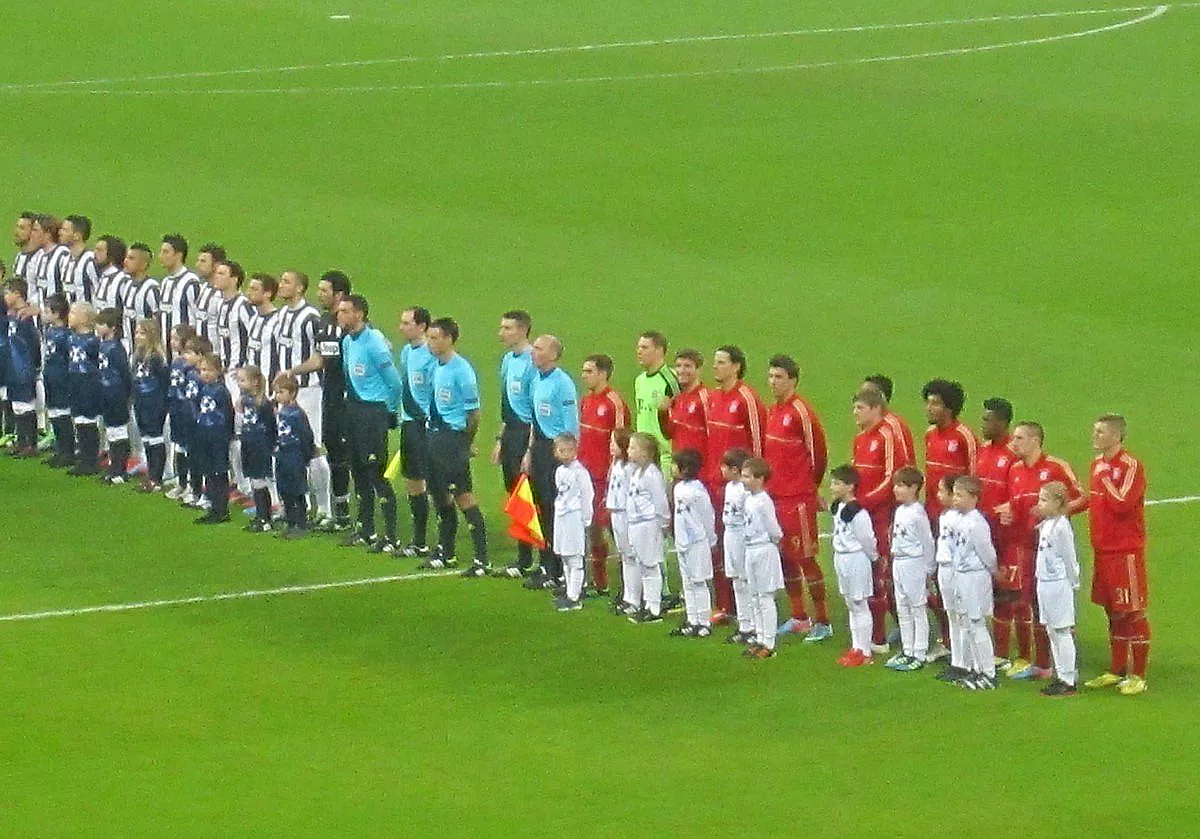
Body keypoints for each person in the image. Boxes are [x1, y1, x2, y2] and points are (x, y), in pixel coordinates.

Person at [995, 421, 1086, 680]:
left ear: (1035, 441)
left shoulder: (1056, 467)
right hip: (1023, 547)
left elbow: (1082, 497)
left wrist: (1054, 515)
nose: (1014, 443)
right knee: (1029, 605)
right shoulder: (1014, 470)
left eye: (1020, 438)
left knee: (1054, 611)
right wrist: (1010, 512)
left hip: (1050, 549)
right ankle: (1039, 663)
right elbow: (1015, 503)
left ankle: (1062, 668)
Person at [762, 354, 830, 639]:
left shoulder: (802, 411)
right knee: (785, 557)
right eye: (771, 376)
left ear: (793, 380)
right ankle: (799, 615)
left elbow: (819, 455)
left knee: (805, 557)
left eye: (779, 377)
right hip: (775, 496)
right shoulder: (772, 411)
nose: (773, 382)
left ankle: (824, 621)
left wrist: (809, 489)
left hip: (798, 498)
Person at [1084, 414, 1150, 696]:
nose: (1094, 436)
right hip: (1103, 549)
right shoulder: (1097, 464)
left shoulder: (1130, 465)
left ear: (1116, 436)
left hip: (1125, 552)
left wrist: (1105, 480)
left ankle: (1139, 675)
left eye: (1100, 432)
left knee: (1132, 612)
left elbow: (1123, 503)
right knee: (1113, 611)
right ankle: (1116, 669)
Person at [283, 270, 350, 530]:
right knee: (328, 450)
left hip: (345, 399)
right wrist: (293, 372)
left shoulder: (349, 327)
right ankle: (331, 510)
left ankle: (337, 512)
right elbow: (320, 359)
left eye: (324, 290)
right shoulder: (323, 322)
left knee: (336, 453)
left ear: (339, 294)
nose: (319, 294)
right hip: (328, 395)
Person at [336, 294, 402, 553]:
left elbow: (394, 382)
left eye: (345, 311)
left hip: (372, 412)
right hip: (353, 409)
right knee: (358, 470)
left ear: (359, 314)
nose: (339, 315)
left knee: (375, 471)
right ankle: (366, 529)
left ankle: (392, 536)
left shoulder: (374, 342)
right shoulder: (348, 341)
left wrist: (390, 411)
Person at [705, 345, 766, 625]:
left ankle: (754, 615)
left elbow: (758, 442)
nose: (715, 367)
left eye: (721, 362)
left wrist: (753, 480)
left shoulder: (747, 398)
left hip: (743, 486)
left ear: (736, 366)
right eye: (715, 362)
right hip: (719, 484)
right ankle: (728, 606)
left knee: (744, 549)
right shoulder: (715, 397)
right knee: (722, 545)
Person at [423, 317, 489, 575]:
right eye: (429, 337)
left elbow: (474, 413)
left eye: (435, 338)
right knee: (440, 495)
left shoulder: (462, 370)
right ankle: (446, 553)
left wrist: (465, 443)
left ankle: (482, 560)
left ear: (449, 339)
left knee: (463, 496)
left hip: (452, 439)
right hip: (435, 436)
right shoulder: (436, 366)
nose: (431, 342)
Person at [921, 378, 978, 662]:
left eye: (935, 403)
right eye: (928, 402)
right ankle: (947, 637)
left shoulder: (964, 436)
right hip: (934, 518)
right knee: (936, 580)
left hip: (958, 523)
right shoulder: (930, 435)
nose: (929, 408)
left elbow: (974, 480)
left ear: (949, 408)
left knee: (958, 584)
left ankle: (965, 639)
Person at [521, 334, 579, 589]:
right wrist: (530, 450)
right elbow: (534, 419)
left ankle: (563, 569)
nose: (533, 352)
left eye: (539, 348)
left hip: (558, 451)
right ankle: (548, 566)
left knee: (556, 510)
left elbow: (570, 424)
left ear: (553, 355)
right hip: (541, 448)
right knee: (542, 507)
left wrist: (566, 454)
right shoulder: (535, 379)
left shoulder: (563, 383)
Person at [851, 387, 901, 653]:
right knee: (866, 575)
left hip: (881, 517)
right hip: (862, 516)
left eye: (860, 408)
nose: (855, 413)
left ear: (874, 409)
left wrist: (864, 501)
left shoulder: (886, 436)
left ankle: (880, 638)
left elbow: (892, 477)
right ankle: (874, 632)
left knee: (881, 576)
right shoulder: (860, 439)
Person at [578, 353, 630, 596]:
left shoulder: (614, 402)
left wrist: (613, 475)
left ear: (602, 373)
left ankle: (627, 582)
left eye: (589, 371)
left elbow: (621, 440)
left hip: (606, 477)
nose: (584, 375)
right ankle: (600, 582)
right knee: (592, 528)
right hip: (586, 475)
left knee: (613, 527)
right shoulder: (586, 401)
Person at [492, 310, 538, 577]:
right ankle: (523, 559)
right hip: (511, 432)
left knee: (530, 496)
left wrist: (529, 449)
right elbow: (507, 404)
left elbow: (533, 409)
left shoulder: (533, 361)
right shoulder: (508, 360)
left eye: (507, 328)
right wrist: (500, 438)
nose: (501, 333)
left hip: (526, 434)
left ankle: (539, 558)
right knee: (515, 496)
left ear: (522, 330)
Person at [946, 476, 1001, 690]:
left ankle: (988, 672)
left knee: (977, 623)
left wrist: (994, 572)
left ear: (974, 498)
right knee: (967, 622)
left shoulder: (977, 523)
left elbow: (986, 552)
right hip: (961, 574)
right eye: (955, 495)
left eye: (960, 495)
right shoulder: (959, 520)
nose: (955, 499)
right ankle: (976, 668)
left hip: (976, 576)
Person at [975, 397, 1018, 669]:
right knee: (989, 591)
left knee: (1009, 594)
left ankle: (1006, 653)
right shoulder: (982, 451)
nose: (984, 424)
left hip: (1008, 537)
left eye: (988, 419)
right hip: (984, 533)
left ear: (1002, 422)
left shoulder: (1014, 454)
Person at [1033, 482, 1081, 697]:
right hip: (1044, 582)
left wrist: (1074, 582)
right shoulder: (1048, 524)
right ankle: (1060, 674)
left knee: (1061, 631)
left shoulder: (1062, 526)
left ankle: (1069, 679)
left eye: (1044, 500)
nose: (1039, 504)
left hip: (1058, 584)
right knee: (1052, 630)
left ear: (1058, 503)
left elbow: (1070, 558)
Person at [396, 306, 437, 558]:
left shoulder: (431, 355)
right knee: (412, 480)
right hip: (409, 424)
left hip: (427, 425)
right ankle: (419, 541)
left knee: (435, 482)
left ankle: (444, 542)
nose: (401, 327)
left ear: (422, 326)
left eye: (406, 323)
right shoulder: (406, 352)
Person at [828, 464, 877, 667]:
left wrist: (873, 558)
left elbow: (867, 539)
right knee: (850, 603)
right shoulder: (839, 507)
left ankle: (865, 651)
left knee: (859, 603)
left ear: (850, 487)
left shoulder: (859, 513)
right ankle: (856, 646)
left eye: (837, 483)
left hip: (856, 558)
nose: (832, 487)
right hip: (841, 557)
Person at [888, 467, 936, 670]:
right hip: (899, 561)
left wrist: (929, 569)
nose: (896, 490)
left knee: (917, 607)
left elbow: (927, 542)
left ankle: (920, 651)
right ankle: (907, 649)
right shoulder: (900, 511)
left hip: (914, 563)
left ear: (914, 488)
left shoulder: (918, 514)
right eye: (896, 485)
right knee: (902, 607)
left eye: (901, 486)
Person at [740, 456, 786, 659]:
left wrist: (773, 541)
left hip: (764, 549)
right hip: (750, 548)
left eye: (747, 476)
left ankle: (769, 642)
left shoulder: (763, 501)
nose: (743, 480)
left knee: (765, 597)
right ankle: (759, 638)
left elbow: (774, 529)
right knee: (755, 596)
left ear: (760, 479)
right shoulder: (748, 499)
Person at [670, 448, 717, 637]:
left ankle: (704, 622)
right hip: (683, 542)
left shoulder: (699, 492)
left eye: (675, 465)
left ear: (685, 469)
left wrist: (711, 539)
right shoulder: (678, 488)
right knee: (687, 582)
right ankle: (692, 619)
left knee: (699, 582)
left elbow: (708, 516)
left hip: (698, 542)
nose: (672, 468)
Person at [625, 432, 670, 623]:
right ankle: (647, 603)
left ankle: (654, 607)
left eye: (633, 447)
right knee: (642, 564)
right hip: (636, 523)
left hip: (648, 524)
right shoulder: (635, 472)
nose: (629, 451)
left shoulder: (652, 475)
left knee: (650, 565)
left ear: (646, 453)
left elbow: (660, 501)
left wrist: (664, 522)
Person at [551, 432, 594, 611]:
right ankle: (569, 592)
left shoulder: (580, 472)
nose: (566, 454)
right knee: (565, 556)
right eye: (562, 451)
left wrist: (586, 518)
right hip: (561, 517)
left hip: (574, 518)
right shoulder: (560, 471)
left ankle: (575, 597)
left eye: (569, 450)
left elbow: (587, 494)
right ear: (556, 452)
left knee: (575, 558)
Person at [932, 476, 968, 682]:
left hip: (958, 570)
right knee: (952, 616)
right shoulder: (945, 516)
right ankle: (957, 661)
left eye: (941, 491)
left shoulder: (963, 519)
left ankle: (968, 662)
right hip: (944, 568)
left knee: (962, 617)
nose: (938, 495)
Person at [273, 373, 318, 540]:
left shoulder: (298, 414)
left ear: (292, 393)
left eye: (281, 392)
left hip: (295, 457)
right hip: (282, 456)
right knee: (285, 489)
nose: (278, 396)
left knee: (297, 489)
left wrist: (306, 455)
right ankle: (290, 522)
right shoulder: (282, 411)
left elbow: (306, 436)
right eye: (276, 392)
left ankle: (301, 522)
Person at [192, 353, 234, 524]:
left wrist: (226, 436)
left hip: (218, 437)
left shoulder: (221, 391)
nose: (205, 374)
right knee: (208, 471)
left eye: (209, 370)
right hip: (204, 435)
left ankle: (221, 508)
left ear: (218, 371)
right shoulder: (204, 389)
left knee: (219, 471)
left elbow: (228, 415)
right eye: (202, 370)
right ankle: (212, 505)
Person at [720, 448, 755, 645]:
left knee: (745, 580)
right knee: (736, 581)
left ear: (735, 469)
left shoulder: (744, 490)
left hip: (741, 534)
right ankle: (744, 625)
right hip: (730, 533)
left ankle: (753, 626)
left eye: (724, 466)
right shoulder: (730, 488)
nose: (721, 470)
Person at [237, 365, 278, 534]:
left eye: (242, 380)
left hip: (260, 447)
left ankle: (265, 517)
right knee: (254, 481)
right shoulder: (245, 401)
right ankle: (261, 514)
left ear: (255, 382)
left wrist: (270, 446)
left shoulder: (264, 404)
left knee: (260, 481)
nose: (239, 384)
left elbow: (271, 428)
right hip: (248, 444)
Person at [131, 319, 171, 491]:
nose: (138, 336)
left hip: (154, 403)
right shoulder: (137, 356)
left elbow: (164, 383)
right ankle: (150, 473)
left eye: (142, 333)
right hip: (140, 401)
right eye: (137, 332)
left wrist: (162, 404)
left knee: (155, 438)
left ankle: (157, 477)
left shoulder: (156, 359)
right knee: (146, 437)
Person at [95, 308, 133, 484]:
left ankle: (120, 470)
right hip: (105, 392)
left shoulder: (117, 349)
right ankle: (113, 466)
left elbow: (124, 373)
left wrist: (126, 394)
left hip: (116, 394)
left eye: (101, 324)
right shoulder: (102, 345)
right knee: (111, 431)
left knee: (118, 432)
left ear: (112, 327)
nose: (97, 326)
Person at [3, 278, 41, 456]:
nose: (5, 295)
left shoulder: (27, 317)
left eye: (8, 292)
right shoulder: (11, 315)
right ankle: (21, 440)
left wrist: (32, 365)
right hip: (13, 366)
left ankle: (31, 444)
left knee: (26, 404)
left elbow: (33, 343)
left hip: (24, 367)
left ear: (17, 294)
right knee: (17, 404)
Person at [632, 330, 679, 474]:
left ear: (659, 350)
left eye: (645, 347)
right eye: (639, 347)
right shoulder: (639, 380)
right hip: (641, 455)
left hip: (663, 458)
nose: (639, 351)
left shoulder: (671, 380)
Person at [66, 303, 102, 476]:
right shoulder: (71, 338)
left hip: (88, 385)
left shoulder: (93, 342)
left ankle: (91, 460)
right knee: (79, 420)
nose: (69, 315)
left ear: (84, 319)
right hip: (75, 383)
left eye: (73, 313)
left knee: (88, 420)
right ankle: (83, 457)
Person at [40, 293, 76, 467]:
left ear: (57, 314)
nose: (43, 314)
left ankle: (68, 451)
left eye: (47, 311)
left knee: (62, 413)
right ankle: (60, 449)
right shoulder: (50, 331)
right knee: (53, 412)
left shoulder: (66, 336)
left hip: (61, 378)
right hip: (50, 376)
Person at [164, 325, 199, 501]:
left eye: (176, 339)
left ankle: (192, 485)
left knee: (188, 447)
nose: (172, 342)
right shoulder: (176, 361)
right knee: (178, 445)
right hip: (176, 409)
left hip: (186, 411)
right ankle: (182, 482)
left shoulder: (191, 368)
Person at [662, 348, 709, 472]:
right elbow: (669, 434)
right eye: (678, 366)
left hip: (699, 473)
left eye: (687, 366)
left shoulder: (705, 398)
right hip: (679, 471)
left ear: (698, 369)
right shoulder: (677, 399)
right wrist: (662, 413)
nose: (681, 371)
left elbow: (714, 437)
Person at [606, 427, 637, 615]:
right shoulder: (616, 465)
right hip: (616, 513)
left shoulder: (629, 468)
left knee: (631, 556)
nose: (610, 446)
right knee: (624, 556)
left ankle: (634, 598)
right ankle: (627, 595)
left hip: (626, 514)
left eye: (613, 442)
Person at [157, 235, 200, 357]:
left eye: (166, 252)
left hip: (184, 355)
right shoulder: (165, 282)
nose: (161, 256)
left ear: (178, 255)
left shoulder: (191, 283)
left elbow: (197, 318)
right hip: (166, 353)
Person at [861, 374, 916, 466]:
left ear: (882, 398)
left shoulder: (894, 425)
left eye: (868, 394)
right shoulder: (867, 423)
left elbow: (906, 463)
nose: (862, 397)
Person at [119, 243, 160, 357]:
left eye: (131, 258)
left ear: (143, 264)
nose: (126, 261)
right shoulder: (126, 285)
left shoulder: (151, 289)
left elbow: (158, 323)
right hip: (129, 352)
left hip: (147, 355)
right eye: (126, 257)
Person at [244, 273, 280, 383]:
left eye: (254, 289)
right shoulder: (254, 318)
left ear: (268, 294)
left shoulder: (278, 321)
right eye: (249, 288)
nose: (248, 293)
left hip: (269, 387)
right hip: (251, 386)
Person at [191, 243, 227, 348]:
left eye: (203, 261)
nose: (197, 265)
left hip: (215, 358)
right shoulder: (203, 288)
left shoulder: (222, 294)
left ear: (216, 265)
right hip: (200, 355)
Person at [61, 215, 98, 304]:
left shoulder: (90, 261)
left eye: (65, 230)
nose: (60, 233)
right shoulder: (65, 259)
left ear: (77, 236)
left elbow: (98, 291)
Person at [92, 235, 130, 314]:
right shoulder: (102, 276)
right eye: (95, 249)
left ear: (111, 255)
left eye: (100, 250)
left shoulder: (122, 280)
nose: (95, 253)